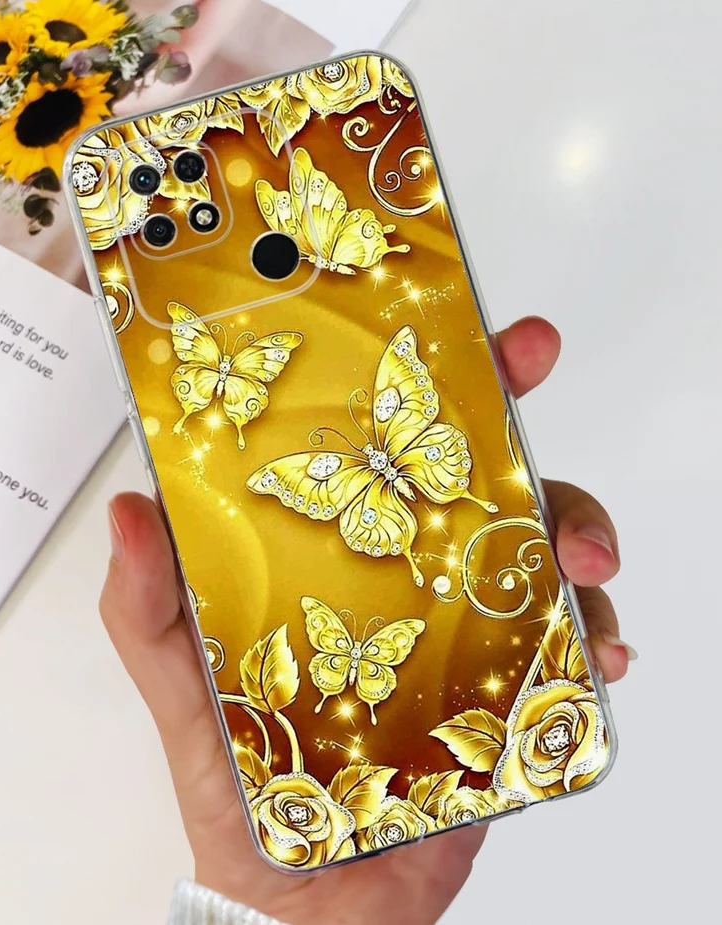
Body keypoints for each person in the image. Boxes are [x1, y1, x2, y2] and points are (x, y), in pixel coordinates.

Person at [99, 317, 636, 925]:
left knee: (486, 501)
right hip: (385, 502)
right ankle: (449, 518)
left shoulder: (335, 449)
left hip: (390, 495)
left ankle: (461, 508)